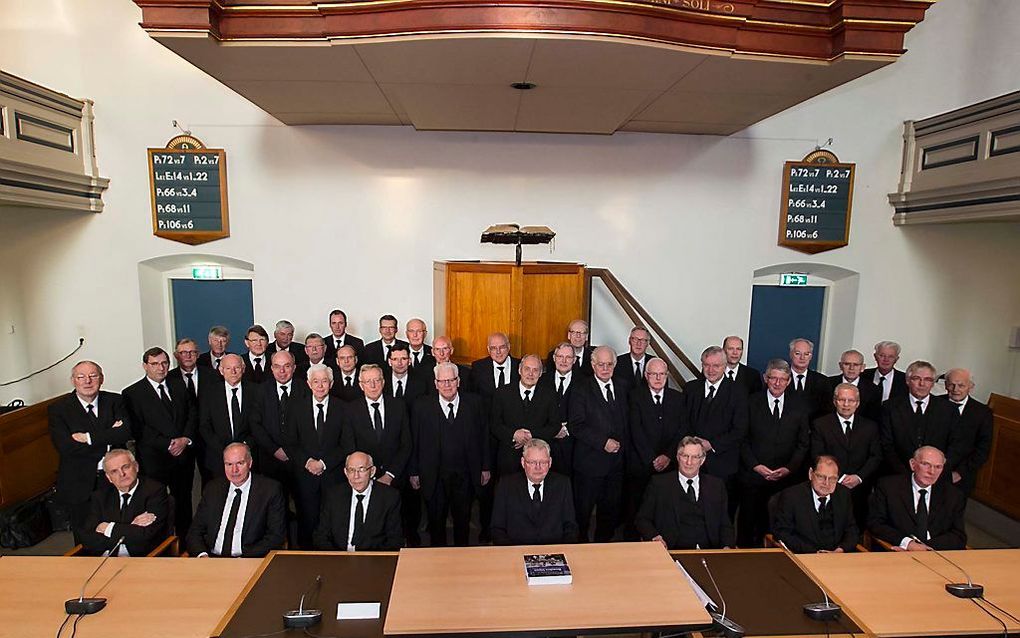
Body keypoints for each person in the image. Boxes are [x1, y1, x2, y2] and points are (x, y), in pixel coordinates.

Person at [48, 361, 131, 542]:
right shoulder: (59, 409)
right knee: (85, 536)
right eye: (81, 377)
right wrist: (109, 436)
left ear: (101, 379)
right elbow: (66, 447)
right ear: (73, 381)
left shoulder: (115, 401)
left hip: (115, 480)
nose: (87, 381)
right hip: (79, 482)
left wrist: (88, 438)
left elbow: (126, 433)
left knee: (117, 529)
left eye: (93, 376)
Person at [410, 362, 491, 546]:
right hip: (433, 475)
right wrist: (414, 471)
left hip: (465, 474)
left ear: (459, 381)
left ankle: (461, 559)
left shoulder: (475, 403)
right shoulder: (421, 406)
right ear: (436, 383)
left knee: (463, 521)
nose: (447, 385)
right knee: (436, 522)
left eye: (451, 380)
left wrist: (485, 467)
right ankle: (438, 561)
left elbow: (484, 436)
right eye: (442, 381)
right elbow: (414, 441)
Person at [122, 347, 197, 538]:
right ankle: (161, 542)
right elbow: (138, 429)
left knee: (184, 500)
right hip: (154, 459)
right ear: (145, 366)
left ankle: (185, 541)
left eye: (164, 363)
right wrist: (168, 444)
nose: (161, 368)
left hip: (182, 456)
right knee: (155, 502)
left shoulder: (179, 385)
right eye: (155, 364)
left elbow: (192, 414)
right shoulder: (132, 393)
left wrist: (184, 439)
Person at [737, 359, 809, 548]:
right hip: (753, 476)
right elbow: (742, 438)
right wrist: (756, 466)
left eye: (782, 379)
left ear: (789, 381)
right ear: (765, 379)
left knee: (775, 525)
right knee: (747, 523)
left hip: (785, 479)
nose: (777, 383)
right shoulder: (751, 402)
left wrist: (788, 468)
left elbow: (803, 443)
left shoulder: (799, 405)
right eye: (773, 378)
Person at [342, 363, 415, 545]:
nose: (373, 385)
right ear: (361, 385)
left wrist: (390, 475)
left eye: (376, 380)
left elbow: (406, 444)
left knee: (400, 528)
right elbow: (350, 447)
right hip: (364, 481)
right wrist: (368, 476)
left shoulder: (398, 406)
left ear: (383, 382)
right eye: (368, 382)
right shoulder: (351, 410)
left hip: (396, 478)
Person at [570, 345, 628, 542]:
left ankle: (604, 547)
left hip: (616, 464)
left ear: (615, 365)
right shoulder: (580, 388)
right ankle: (581, 547)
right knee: (583, 513)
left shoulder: (623, 386)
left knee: (609, 511)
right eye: (601, 364)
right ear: (593, 365)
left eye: (609, 364)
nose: (605, 368)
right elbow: (576, 425)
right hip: (589, 463)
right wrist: (603, 442)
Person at [283, 363, 345, 548]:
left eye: (324, 381)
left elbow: (347, 443)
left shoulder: (343, 408)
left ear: (331, 383)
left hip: (333, 476)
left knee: (334, 522)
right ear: (309, 384)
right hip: (304, 476)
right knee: (306, 522)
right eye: (315, 381)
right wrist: (308, 462)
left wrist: (324, 463)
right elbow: (290, 442)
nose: (320, 386)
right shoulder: (296, 407)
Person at [187, 443, 286, 557]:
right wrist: (203, 555)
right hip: (211, 560)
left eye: (240, 463)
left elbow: (276, 536)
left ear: (250, 463)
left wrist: (243, 559)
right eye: (229, 464)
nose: (234, 470)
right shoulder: (213, 489)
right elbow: (195, 531)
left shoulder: (270, 490)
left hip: (249, 560)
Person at [635, 437, 734, 550]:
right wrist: (655, 537)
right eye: (685, 456)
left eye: (695, 457)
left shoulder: (716, 485)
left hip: (709, 551)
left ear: (702, 460)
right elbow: (642, 519)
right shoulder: (659, 484)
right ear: (677, 457)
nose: (689, 462)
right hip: (671, 552)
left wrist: (727, 547)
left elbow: (725, 524)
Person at [624, 357, 685, 540]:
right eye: (653, 374)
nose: (658, 378)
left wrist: (667, 456)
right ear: (646, 375)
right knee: (635, 506)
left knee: (664, 507)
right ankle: (632, 543)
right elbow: (635, 429)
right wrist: (651, 458)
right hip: (641, 464)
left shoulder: (678, 398)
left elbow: (682, 429)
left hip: (669, 464)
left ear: (667, 376)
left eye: (662, 374)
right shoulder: (635, 396)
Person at [683, 345, 748, 516]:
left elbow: (740, 429)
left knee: (719, 513)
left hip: (722, 464)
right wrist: (693, 445)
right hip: (691, 463)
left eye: (716, 366)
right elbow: (682, 422)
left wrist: (711, 444)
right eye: (706, 365)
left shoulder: (738, 392)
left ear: (725, 366)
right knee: (690, 511)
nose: (710, 370)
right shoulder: (691, 388)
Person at [469, 332, 519, 541]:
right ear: (488, 349)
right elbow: (472, 401)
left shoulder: (521, 366)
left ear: (509, 347)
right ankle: (486, 527)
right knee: (486, 487)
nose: (498, 352)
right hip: (487, 436)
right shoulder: (478, 368)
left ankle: (512, 527)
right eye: (493, 348)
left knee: (513, 484)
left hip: (513, 438)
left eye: (502, 347)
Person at [810, 383, 882, 528]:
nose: (846, 404)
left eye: (851, 401)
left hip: (861, 488)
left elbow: (876, 456)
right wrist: (840, 477)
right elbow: (817, 455)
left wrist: (859, 477)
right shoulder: (821, 424)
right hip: (831, 485)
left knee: (857, 526)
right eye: (842, 400)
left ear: (858, 403)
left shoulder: (870, 426)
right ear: (835, 401)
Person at [868, 446, 966, 550]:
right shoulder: (889, 487)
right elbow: (875, 524)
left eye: (938, 467)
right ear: (913, 464)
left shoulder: (953, 495)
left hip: (936, 554)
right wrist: (907, 543)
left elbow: (958, 535)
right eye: (926, 464)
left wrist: (925, 548)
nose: (932, 472)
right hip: (897, 554)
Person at [79, 449, 169, 557]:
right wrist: (131, 528)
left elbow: (147, 536)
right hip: (106, 556)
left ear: (136, 467)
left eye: (126, 467)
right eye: (114, 471)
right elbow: (88, 538)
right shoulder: (100, 496)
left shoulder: (155, 491)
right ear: (109, 478)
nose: (122, 474)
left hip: (142, 559)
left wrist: (108, 528)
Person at [252, 350, 304, 535]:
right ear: (271, 368)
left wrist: (291, 451)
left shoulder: (305, 388)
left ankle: (302, 546)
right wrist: (274, 450)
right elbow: (255, 425)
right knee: (273, 506)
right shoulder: (260, 390)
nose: (282, 371)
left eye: (287, 366)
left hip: (299, 460)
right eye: (277, 366)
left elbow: (308, 426)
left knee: (303, 505)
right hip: (269, 459)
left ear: (294, 368)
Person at [491, 439, 579, 545]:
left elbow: (570, 527)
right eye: (532, 462)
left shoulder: (563, 484)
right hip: (516, 552)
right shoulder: (506, 485)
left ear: (550, 462)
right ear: (523, 462)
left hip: (553, 553)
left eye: (543, 462)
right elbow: (497, 529)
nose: (538, 467)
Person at [313, 452, 403, 551]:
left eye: (361, 469)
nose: (356, 476)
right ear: (346, 473)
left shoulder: (389, 497)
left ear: (372, 471)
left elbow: (394, 541)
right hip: (339, 559)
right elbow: (321, 536)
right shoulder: (333, 496)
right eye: (351, 470)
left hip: (373, 560)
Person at [880, 360, 955, 475]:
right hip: (897, 473)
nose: (922, 384)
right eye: (916, 378)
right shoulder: (890, 407)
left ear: (933, 383)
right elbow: (886, 445)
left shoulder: (947, 409)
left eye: (928, 380)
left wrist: (936, 469)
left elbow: (953, 444)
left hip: (935, 474)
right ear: (907, 381)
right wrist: (905, 472)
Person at [772, 455, 859, 553]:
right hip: (805, 557)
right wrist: (815, 553)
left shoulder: (843, 494)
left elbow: (851, 530)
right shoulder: (791, 496)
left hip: (838, 557)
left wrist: (840, 550)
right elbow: (782, 533)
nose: (826, 484)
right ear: (810, 474)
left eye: (832, 478)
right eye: (821, 477)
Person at [490, 354, 560, 475]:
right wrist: (514, 434)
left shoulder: (550, 395)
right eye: (527, 369)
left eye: (535, 370)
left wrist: (530, 435)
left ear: (540, 373)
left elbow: (554, 426)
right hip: (508, 459)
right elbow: (494, 424)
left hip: (538, 462)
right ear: (519, 370)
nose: (530, 374)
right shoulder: (502, 393)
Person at [198, 354, 261, 483]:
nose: (233, 372)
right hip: (218, 457)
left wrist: (245, 446)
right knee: (220, 497)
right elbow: (204, 426)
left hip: (249, 455)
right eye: (228, 368)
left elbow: (260, 423)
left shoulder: (256, 391)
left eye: (237, 367)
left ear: (243, 369)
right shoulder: (209, 393)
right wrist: (225, 449)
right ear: (221, 371)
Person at [940, 368, 993, 496]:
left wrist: (960, 472)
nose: (955, 389)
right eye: (951, 384)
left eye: (961, 385)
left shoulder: (983, 413)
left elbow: (983, 448)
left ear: (971, 386)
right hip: (932, 471)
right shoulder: (934, 403)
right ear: (946, 385)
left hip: (963, 474)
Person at [538, 342, 577, 476]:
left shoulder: (584, 383)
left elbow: (587, 412)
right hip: (545, 443)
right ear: (554, 358)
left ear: (574, 360)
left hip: (572, 444)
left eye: (568, 357)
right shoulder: (541, 381)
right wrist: (552, 430)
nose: (564, 361)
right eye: (560, 356)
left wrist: (566, 429)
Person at [827, 349, 881, 421]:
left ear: (862, 367)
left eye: (856, 365)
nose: (851, 368)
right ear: (840, 366)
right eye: (847, 364)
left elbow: (873, 418)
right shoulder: (827, 384)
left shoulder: (873, 389)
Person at [787, 338, 829, 420]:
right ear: (790, 354)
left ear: (811, 356)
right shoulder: (779, 379)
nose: (802, 358)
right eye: (798, 353)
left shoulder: (822, 381)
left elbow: (826, 411)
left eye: (807, 354)